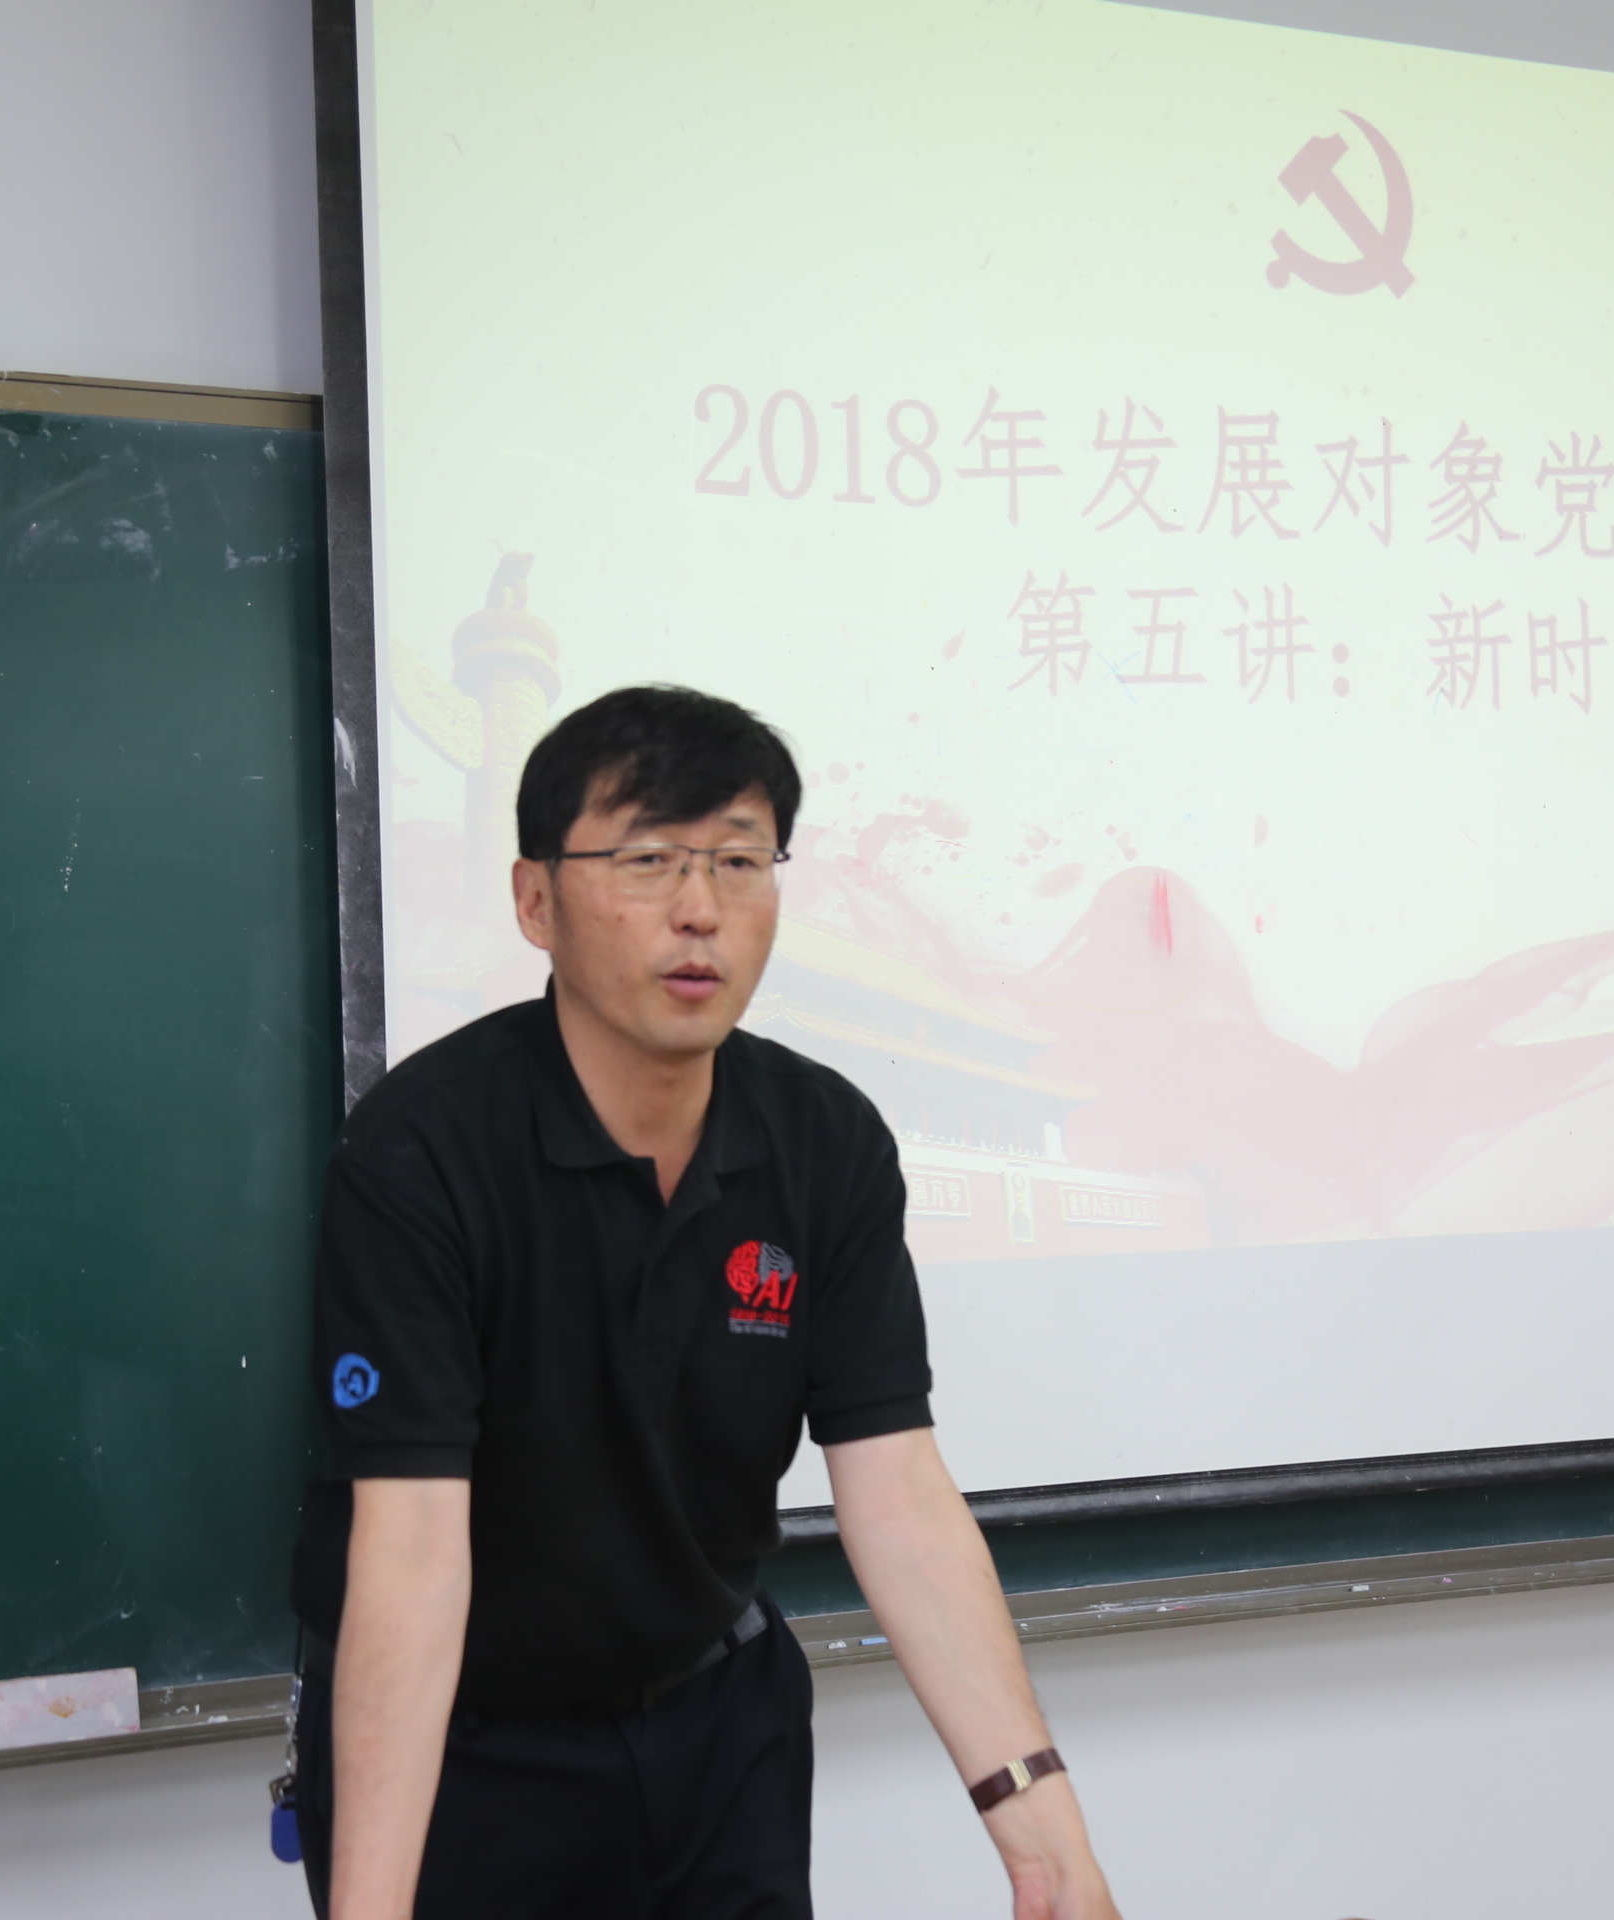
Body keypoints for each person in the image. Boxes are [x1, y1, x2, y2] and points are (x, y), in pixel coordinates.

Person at [289, 685, 1121, 1919]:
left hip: (720, 1727)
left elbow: (896, 1491)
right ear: (535, 901)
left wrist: (1043, 1835)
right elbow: (409, 1550)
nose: (700, 909)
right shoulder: (421, 1155)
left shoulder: (825, 1139)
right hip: (468, 1753)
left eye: (739, 862)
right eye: (648, 861)